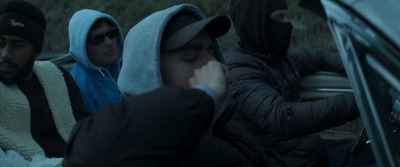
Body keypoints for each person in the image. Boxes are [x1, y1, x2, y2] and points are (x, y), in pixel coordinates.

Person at [63, 3, 268, 167]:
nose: (213, 65)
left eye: (212, 52)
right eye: (190, 56)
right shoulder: (147, 149)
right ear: (148, 71)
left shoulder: (228, 128)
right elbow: (88, 150)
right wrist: (202, 96)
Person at [224, 0, 375, 166]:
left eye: (287, 16)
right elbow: (284, 118)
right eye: (280, 17)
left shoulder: (279, 58)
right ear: (256, 23)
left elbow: (320, 57)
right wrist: (363, 100)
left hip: (316, 155)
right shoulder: (238, 70)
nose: (289, 23)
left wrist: (367, 71)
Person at [0, 0, 90, 165]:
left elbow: (85, 129)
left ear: (36, 51)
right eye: (1, 43)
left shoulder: (57, 77)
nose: (5, 54)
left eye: (17, 45)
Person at [68, 9, 124, 113]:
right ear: (82, 47)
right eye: (98, 39)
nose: (109, 42)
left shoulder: (127, 65)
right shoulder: (78, 86)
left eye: (111, 33)